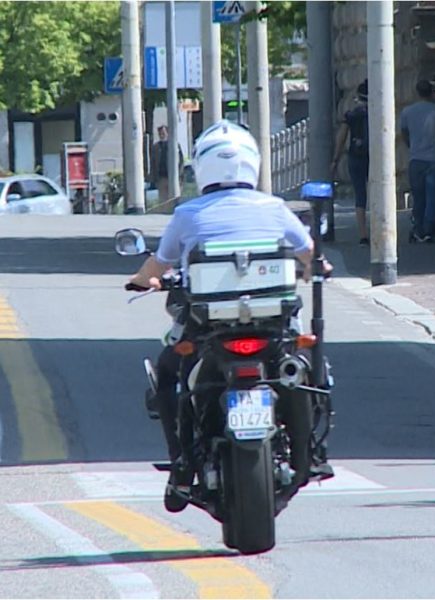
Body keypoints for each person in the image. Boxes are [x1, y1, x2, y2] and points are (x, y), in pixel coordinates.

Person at [127, 119, 333, 511]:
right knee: (304, 370)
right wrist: (315, 268)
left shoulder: (188, 214)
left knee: (169, 375)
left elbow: (156, 266)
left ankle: (180, 468)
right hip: (273, 326)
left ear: (202, 167)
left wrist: (140, 281)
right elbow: (311, 257)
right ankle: (311, 453)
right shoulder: (275, 208)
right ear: (252, 163)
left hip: (208, 328)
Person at [400, 79, 435, 242]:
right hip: (434, 158)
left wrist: (412, 146)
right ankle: (429, 229)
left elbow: (404, 133)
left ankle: (418, 228)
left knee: (418, 196)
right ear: (433, 92)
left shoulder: (407, 112)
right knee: (433, 196)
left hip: (415, 158)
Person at [332, 80, 370, 245]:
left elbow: (341, 138)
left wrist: (335, 159)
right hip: (376, 157)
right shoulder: (379, 112)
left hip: (356, 156)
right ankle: (381, 228)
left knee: (360, 194)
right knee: (379, 192)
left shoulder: (352, 115)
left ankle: (363, 234)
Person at [150, 125, 183, 204]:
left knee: (174, 198)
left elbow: (181, 161)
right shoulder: (156, 147)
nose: (162, 135)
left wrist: (180, 175)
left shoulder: (175, 145)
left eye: (163, 133)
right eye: (160, 134)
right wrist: (153, 178)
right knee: (163, 199)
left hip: (173, 177)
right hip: (161, 177)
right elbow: (153, 163)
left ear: (167, 133)